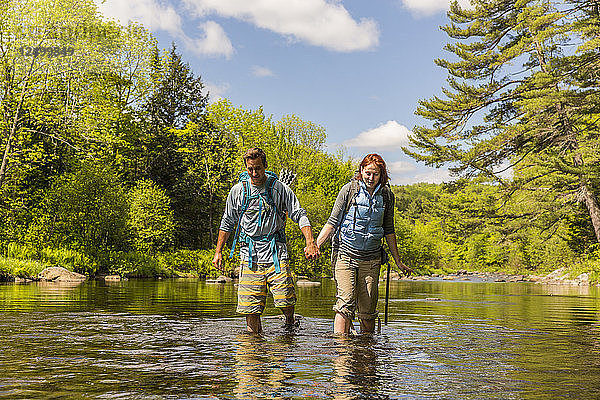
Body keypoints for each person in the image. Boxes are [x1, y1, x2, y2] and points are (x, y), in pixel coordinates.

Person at [213, 147, 320, 333]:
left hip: (276, 253)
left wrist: (310, 241)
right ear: (246, 167)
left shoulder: (280, 189)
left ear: (265, 166)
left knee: (285, 299)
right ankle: (253, 347)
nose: (254, 173)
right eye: (250, 169)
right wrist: (218, 251)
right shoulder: (238, 191)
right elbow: (227, 221)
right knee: (250, 307)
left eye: (258, 168)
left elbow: (299, 214)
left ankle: (289, 322)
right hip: (249, 255)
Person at [316, 153, 413, 335]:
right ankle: (341, 354)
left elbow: (389, 230)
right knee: (345, 304)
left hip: (371, 259)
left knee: (368, 311)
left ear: (381, 175)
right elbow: (332, 222)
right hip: (345, 256)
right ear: (361, 171)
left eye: (375, 174)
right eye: (368, 173)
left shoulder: (387, 196)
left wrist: (398, 261)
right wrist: (316, 245)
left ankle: (366, 354)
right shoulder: (348, 190)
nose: (371, 178)